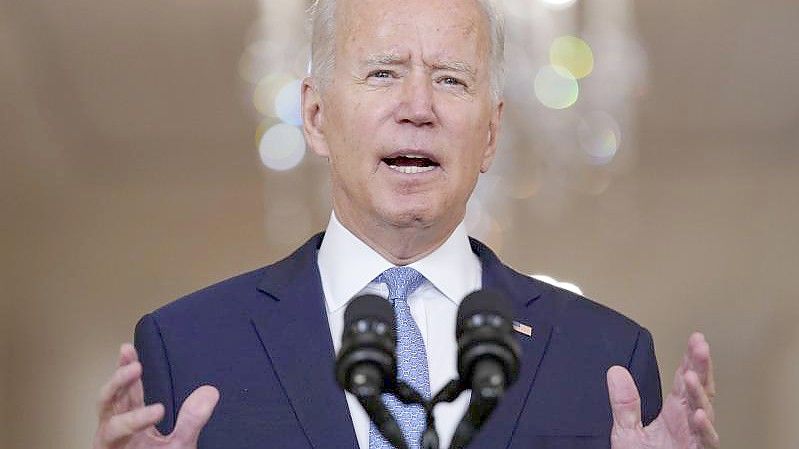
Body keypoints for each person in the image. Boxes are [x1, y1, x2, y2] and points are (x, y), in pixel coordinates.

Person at [92, 0, 719, 448]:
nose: (418, 108)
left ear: (491, 133)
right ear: (314, 116)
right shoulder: (187, 347)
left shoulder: (607, 358)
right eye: (383, 73)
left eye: (451, 79)